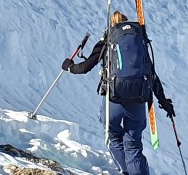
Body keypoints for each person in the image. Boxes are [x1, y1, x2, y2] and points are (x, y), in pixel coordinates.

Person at [62, 11, 175, 175]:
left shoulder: (107, 41)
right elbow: (151, 75)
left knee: (113, 137)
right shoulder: (139, 42)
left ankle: (125, 172)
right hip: (138, 100)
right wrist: (164, 102)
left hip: (113, 100)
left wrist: (69, 67)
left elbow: (85, 67)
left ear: (111, 25)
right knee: (134, 145)